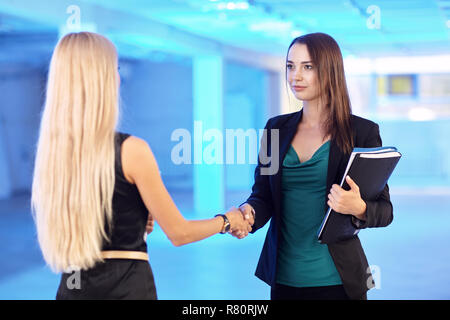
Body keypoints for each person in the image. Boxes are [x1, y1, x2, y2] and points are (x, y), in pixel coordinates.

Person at [31, 32, 251, 300]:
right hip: (126, 288)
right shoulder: (132, 150)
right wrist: (228, 220)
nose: (118, 76)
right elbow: (179, 233)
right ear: (101, 79)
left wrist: (132, 218)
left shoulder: (54, 156)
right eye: (115, 68)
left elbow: (99, 216)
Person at [235, 32, 393, 300]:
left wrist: (359, 208)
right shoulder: (276, 128)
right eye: (290, 66)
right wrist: (247, 213)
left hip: (338, 281)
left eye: (307, 67)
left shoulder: (362, 132)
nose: (295, 76)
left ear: (329, 70)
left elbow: (385, 211)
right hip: (284, 279)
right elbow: (263, 197)